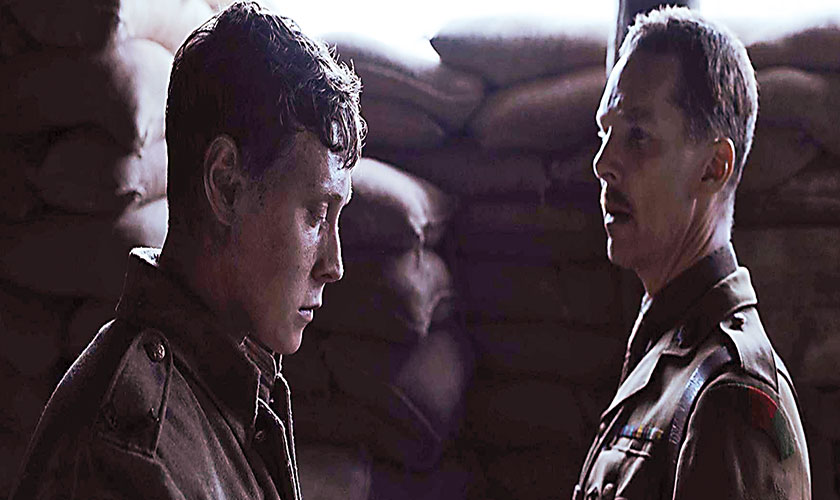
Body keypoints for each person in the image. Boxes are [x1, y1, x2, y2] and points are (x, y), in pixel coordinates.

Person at [10, 2, 364, 498]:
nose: (334, 265)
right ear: (226, 186)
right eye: (316, 214)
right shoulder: (129, 456)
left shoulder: (229, 383)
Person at [573, 6, 810, 500]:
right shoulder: (667, 353)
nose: (603, 163)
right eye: (604, 133)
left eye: (637, 136)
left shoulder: (733, 397)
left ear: (713, 168)